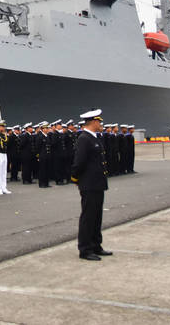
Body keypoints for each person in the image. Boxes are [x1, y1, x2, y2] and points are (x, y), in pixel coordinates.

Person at [71, 109, 112, 261]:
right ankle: (85, 249)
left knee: (96, 216)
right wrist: (76, 178)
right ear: (94, 122)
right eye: (99, 122)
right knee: (88, 217)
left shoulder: (94, 137)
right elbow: (79, 162)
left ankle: (96, 245)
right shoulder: (84, 138)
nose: (101, 124)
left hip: (97, 184)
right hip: (89, 184)